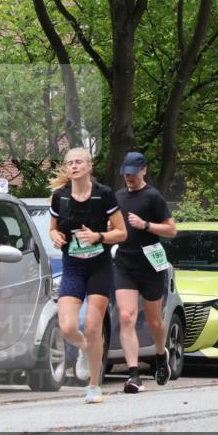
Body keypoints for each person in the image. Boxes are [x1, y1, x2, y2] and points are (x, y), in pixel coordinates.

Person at [48, 147, 127, 403]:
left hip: (99, 266)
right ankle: (83, 349)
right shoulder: (59, 197)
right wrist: (56, 237)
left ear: (89, 166)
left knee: (93, 327)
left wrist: (98, 237)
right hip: (73, 265)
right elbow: (52, 230)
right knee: (68, 327)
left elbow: (122, 233)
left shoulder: (104, 195)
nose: (74, 166)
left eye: (79, 162)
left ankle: (94, 386)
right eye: (70, 163)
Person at [113, 151, 178, 393]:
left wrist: (146, 225)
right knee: (127, 316)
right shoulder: (117, 196)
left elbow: (172, 231)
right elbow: (113, 227)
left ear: (143, 170)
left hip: (150, 263)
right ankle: (133, 375)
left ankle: (161, 355)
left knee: (153, 320)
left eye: (132, 172)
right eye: (125, 172)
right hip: (125, 263)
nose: (128, 177)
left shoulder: (153, 197)